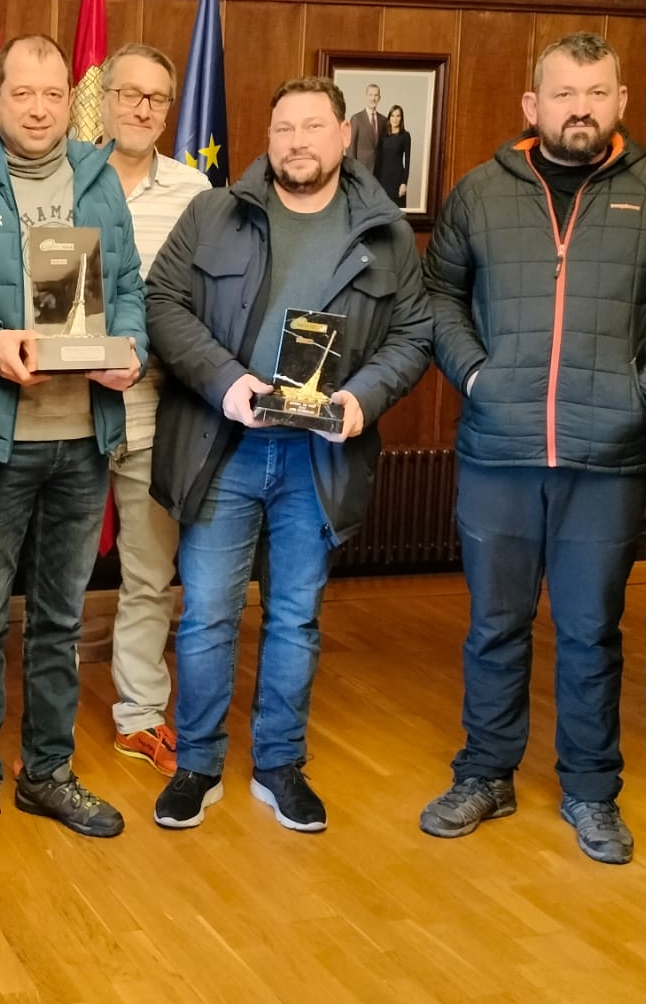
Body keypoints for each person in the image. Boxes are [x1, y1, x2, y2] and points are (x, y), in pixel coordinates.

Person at [420, 32, 646, 865]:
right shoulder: (480, 193)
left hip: (607, 458)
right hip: (497, 451)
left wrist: (645, 398)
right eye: (563, 93)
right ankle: (485, 773)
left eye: (596, 93)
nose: (579, 108)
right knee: (495, 625)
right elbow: (439, 294)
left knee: (592, 631)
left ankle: (590, 790)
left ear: (620, 102)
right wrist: (475, 376)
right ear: (532, 106)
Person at [146, 77, 432, 830]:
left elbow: (413, 335)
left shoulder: (385, 233)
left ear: (345, 137)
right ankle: (199, 763)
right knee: (206, 613)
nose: (297, 142)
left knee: (296, 618)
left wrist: (361, 400)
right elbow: (163, 304)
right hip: (225, 445)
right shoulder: (214, 212)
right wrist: (225, 382)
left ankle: (279, 764)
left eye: (313, 127)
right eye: (283, 129)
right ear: (267, 139)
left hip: (319, 458)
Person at [0, 33, 147, 859]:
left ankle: (47, 770)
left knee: (60, 617)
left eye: (54, 95)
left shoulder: (98, 181)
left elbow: (126, 289)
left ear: (71, 101)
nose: (39, 108)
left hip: (83, 439)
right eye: (23, 93)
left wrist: (131, 352)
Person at [94, 42, 209, 774]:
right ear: (101, 99)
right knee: (52, 574)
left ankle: (138, 716)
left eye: (156, 97)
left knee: (148, 574)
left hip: (154, 412)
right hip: (64, 412)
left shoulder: (197, 193)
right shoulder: (65, 176)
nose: (141, 108)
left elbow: (207, 302)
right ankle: (43, 737)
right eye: (128, 93)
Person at [376, 104, 412, 208]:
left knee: (398, 214)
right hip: (383, 180)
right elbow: (379, 159)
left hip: (398, 180)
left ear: (401, 118)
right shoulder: (383, 135)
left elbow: (408, 160)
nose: (395, 119)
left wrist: (404, 183)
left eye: (398, 116)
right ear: (389, 117)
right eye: (392, 115)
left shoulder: (405, 136)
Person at [349, 84, 386, 172]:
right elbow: (351, 148)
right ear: (366, 97)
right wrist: (353, 170)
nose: (373, 98)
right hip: (361, 170)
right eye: (370, 95)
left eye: (376, 95)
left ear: (379, 98)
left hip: (379, 171)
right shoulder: (356, 119)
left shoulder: (383, 120)